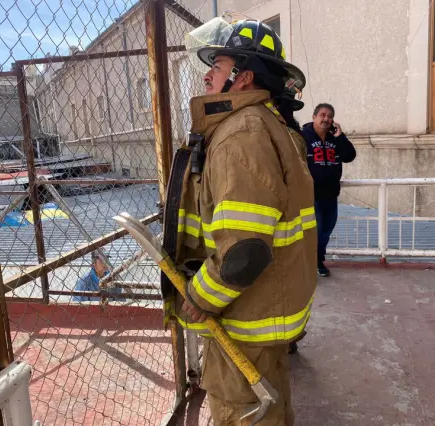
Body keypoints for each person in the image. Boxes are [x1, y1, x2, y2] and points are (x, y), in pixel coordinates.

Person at [163, 16, 317, 425]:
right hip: (268, 313)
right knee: (272, 406)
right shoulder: (271, 125)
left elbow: (245, 253)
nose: (208, 75)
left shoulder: (239, 134)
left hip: (245, 316)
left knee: (242, 412)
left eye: (218, 65)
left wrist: (199, 298)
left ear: (244, 76)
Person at [302, 103, 357, 277]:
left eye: (330, 116)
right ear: (314, 117)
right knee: (316, 230)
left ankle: (316, 259)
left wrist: (341, 137)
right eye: (322, 115)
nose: (326, 119)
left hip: (331, 194)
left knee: (327, 229)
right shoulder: (304, 137)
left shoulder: (335, 138)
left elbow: (350, 156)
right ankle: (315, 262)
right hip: (311, 194)